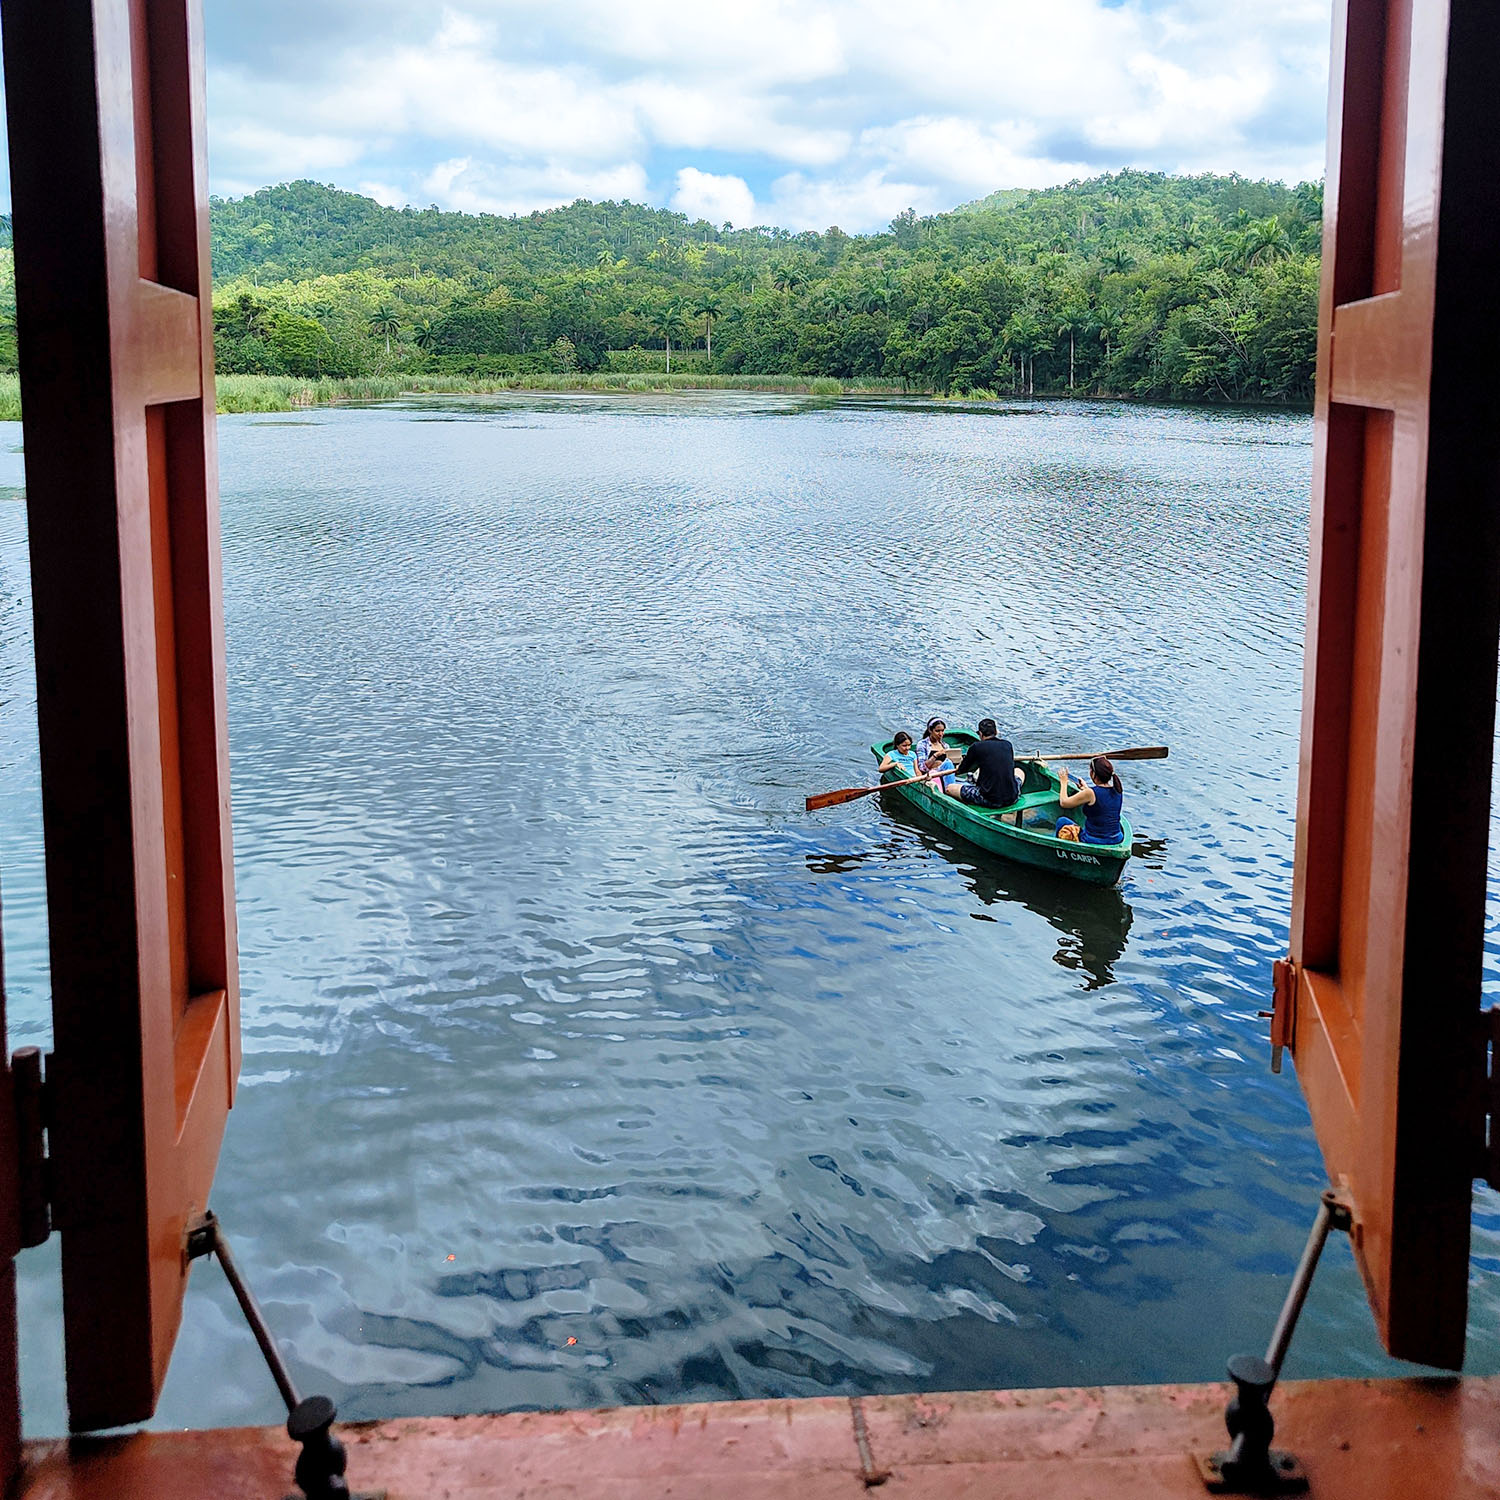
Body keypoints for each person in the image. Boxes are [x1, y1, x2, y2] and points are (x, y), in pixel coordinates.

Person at [944, 717, 1021, 814]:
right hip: (1012, 796)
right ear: (996, 732)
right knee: (1019, 771)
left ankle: (968, 809)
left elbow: (963, 770)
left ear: (980, 734)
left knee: (949, 788)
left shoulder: (977, 747)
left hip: (989, 799)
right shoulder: (1007, 744)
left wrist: (958, 767)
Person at [1058, 755, 1125, 845]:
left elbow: (1064, 803)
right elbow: (1101, 796)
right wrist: (1085, 788)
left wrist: (1063, 782)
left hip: (1094, 840)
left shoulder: (1090, 793)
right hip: (1117, 838)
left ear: (1093, 774)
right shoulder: (1118, 790)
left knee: (1062, 821)